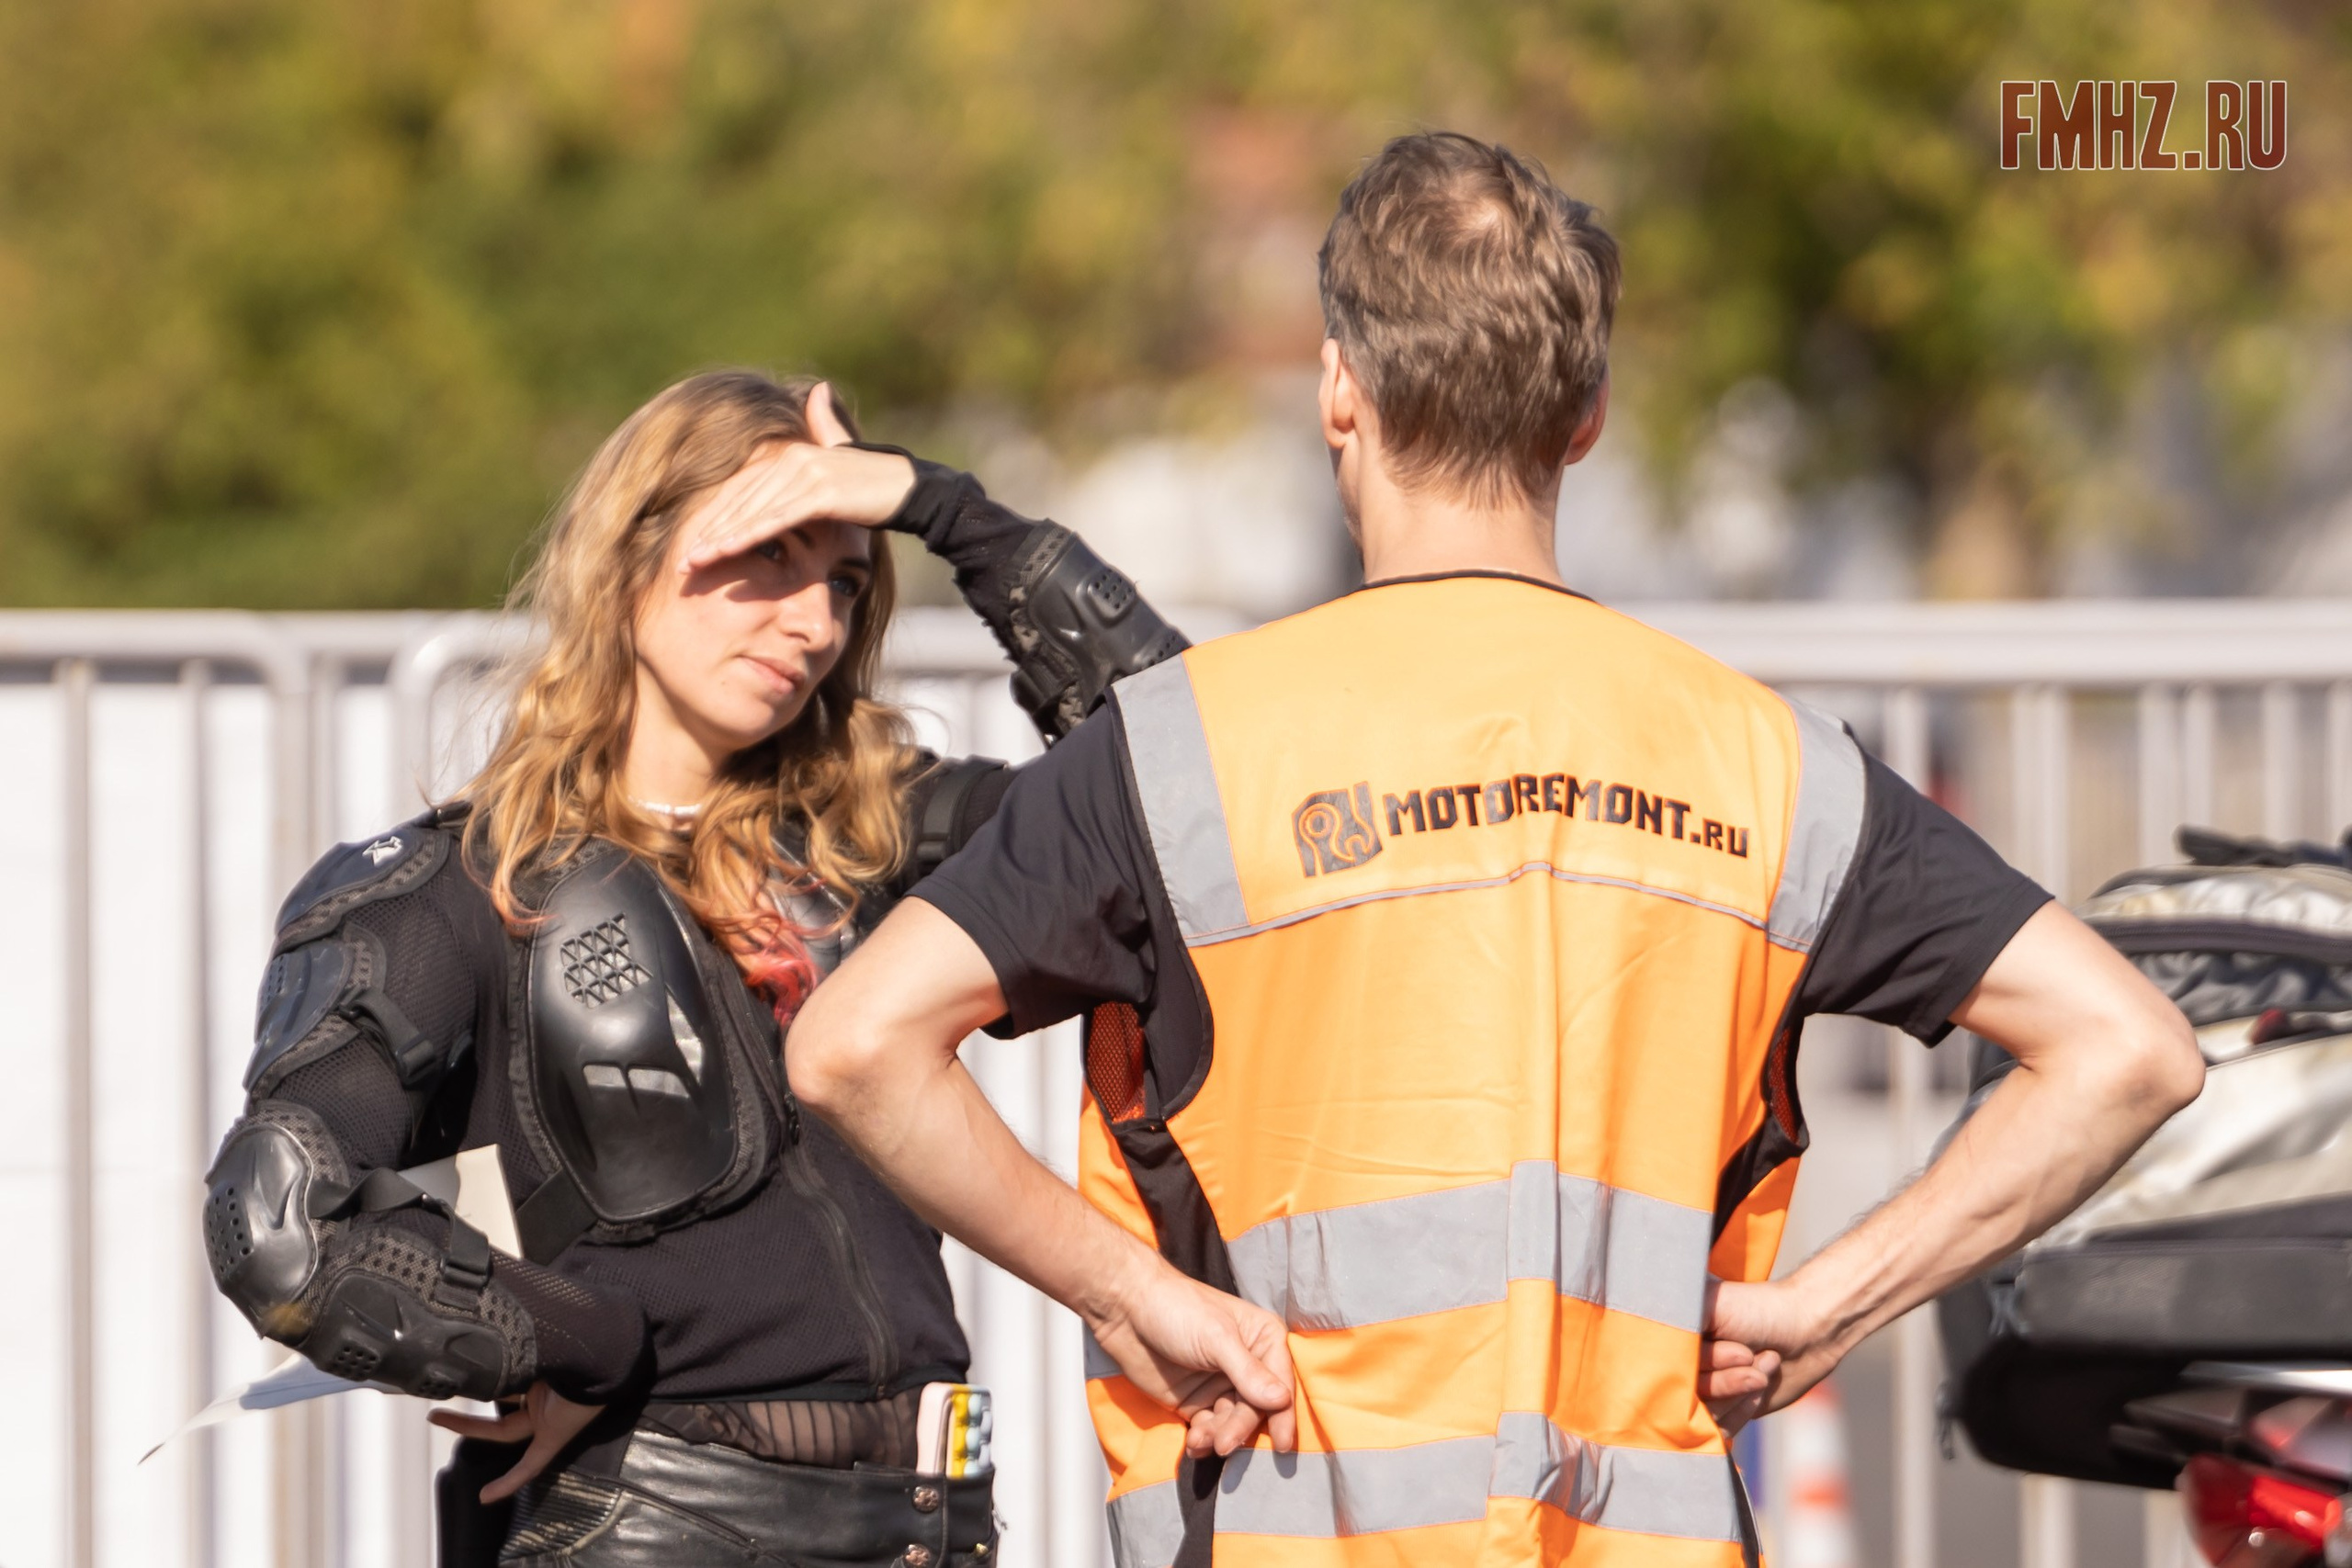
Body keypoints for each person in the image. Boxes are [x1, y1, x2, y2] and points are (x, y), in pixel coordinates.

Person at [784, 132, 2209, 1568]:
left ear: (1340, 390)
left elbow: (854, 1047)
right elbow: (2126, 1051)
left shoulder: (1184, 753)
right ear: (1585, 413)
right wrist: (1833, 1304)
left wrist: (1118, 1296)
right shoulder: (1771, 766)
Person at [200, 367, 1201, 1567]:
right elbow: (281, 1216)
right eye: (772, 557)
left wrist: (936, 505)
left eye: (842, 582)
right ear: (631, 554)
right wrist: (573, 1342)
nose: (815, 624)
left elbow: (1179, 790)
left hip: (936, 1523)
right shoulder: (453, 887)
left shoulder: (880, 841)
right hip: (652, 1523)